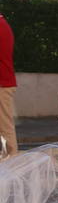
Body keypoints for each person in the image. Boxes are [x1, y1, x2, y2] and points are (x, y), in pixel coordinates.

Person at [0, 14, 16, 158]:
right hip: (3, 82)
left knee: (5, 127)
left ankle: (11, 163)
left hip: (2, 84)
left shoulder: (1, 26)